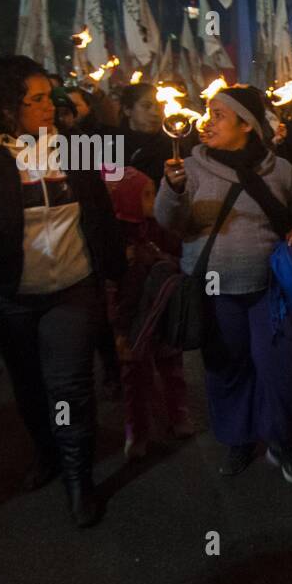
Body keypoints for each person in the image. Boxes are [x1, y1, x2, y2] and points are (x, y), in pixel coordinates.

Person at [0, 55, 126, 527]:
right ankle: (47, 451)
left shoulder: (73, 145)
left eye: (48, 96)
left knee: (70, 386)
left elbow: (98, 211)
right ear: (4, 107)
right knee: (30, 384)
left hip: (72, 288)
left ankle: (79, 478)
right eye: (35, 99)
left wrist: (116, 271)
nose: (49, 106)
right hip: (9, 295)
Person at [155, 84, 292, 483]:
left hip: (271, 291)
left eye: (219, 115)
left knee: (282, 369)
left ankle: (281, 441)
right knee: (227, 368)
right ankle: (238, 439)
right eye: (207, 113)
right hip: (215, 291)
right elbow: (169, 222)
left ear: (247, 125)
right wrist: (172, 191)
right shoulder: (188, 168)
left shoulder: (280, 170)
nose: (208, 122)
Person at [105, 168, 193, 461]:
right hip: (132, 324)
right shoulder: (114, 240)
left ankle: (178, 415)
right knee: (135, 379)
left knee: (171, 367)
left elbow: (180, 255)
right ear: (126, 199)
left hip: (163, 315)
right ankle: (137, 430)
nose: (153, 199)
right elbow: (111, 290)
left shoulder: (159, 227)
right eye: (146, 194)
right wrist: (117, 330)